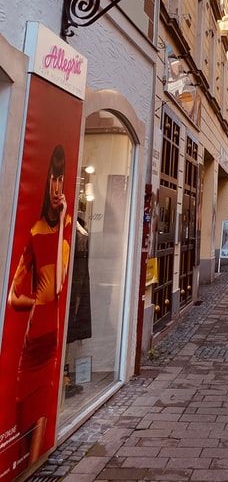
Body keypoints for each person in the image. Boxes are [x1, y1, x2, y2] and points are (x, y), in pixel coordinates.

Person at [9, 145, 72, 466]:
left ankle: (32, 466)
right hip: (33, 336)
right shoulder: (34, 231)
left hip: (50, 336)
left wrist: (61, 220)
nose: (57, 187)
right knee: (20, 413)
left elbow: (60, 284)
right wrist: (34, 300)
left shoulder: (63, 230)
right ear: (47, 180)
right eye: (53, 179)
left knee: (41, 414)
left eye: (62, 179)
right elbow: (13, 296)